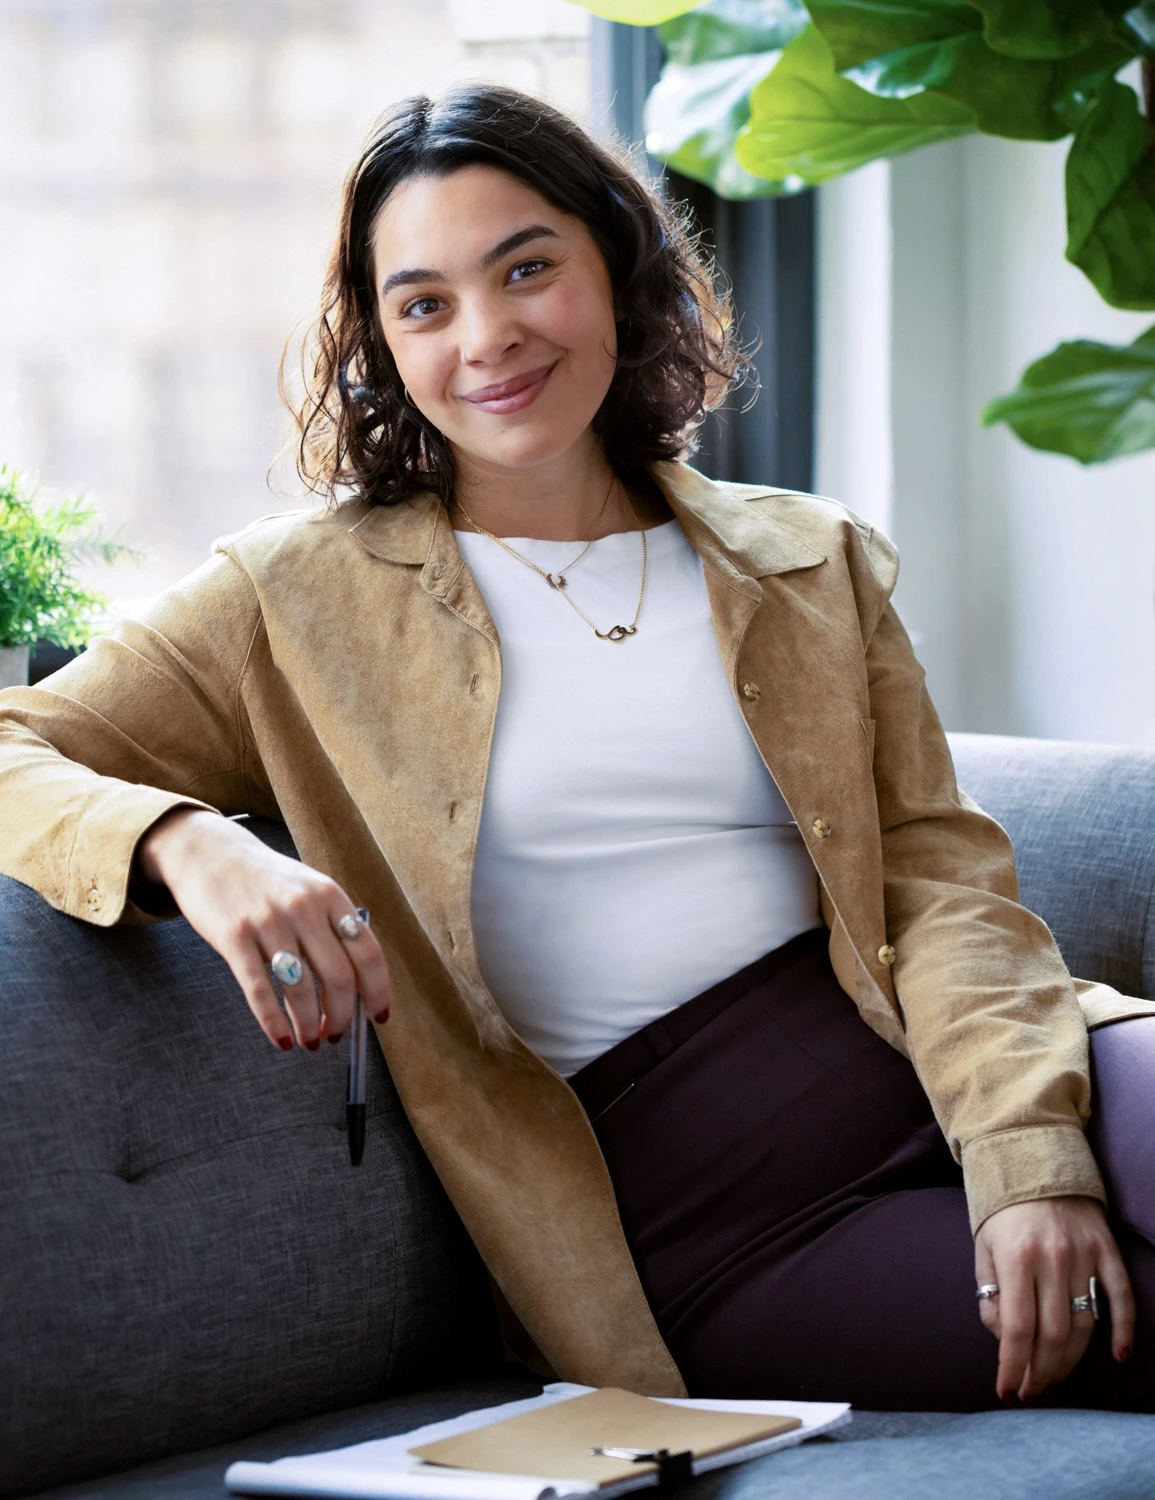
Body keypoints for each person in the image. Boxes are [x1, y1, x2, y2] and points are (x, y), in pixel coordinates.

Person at [2, 83, 1154, 1414]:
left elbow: (938, 880)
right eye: (424, 302)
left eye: (528, 268)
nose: (488, 336)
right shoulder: (291, 602)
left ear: (615, 265)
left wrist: (1025, 1152)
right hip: (729, 1228)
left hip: (984, 1059)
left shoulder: (803, 558)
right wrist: (184, 842)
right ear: (378, 342)